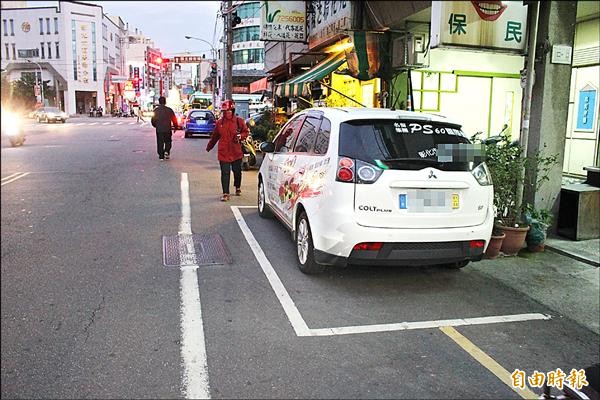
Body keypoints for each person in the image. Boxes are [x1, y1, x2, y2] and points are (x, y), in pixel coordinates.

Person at [206, 99, 249, 201]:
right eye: (224, 111)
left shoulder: (239, 121)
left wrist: (240, 136)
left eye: (228, 111)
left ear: (233, 110)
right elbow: (215, 136)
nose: (226, 113)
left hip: (236, 151)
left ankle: (237, 186)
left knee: (237, 172)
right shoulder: (219, 123)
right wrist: (209, 146)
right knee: (225, 173)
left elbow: (245, 132)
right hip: (224, 152)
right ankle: (226, 193)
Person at [151, 96, 177, 161]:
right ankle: (167, 151)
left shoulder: (156, 110)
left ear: (159, 102)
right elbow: (174, 119)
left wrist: (156, 126)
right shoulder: (169, 110)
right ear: (165, 102)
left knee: (160, 142)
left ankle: (161, 156)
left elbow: (153, 120)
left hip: (159, 129)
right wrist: (175, 126)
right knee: (168, 141)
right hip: (167, 129)